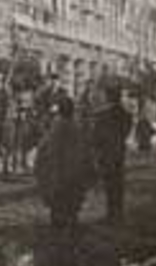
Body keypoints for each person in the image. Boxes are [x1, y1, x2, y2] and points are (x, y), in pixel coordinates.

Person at [35, 97, 95, 236]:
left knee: (58, 209)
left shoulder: (56, 128)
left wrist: (42, 171)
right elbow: (86, 152)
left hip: (59, 175)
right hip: (75, 175)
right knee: (72, 207)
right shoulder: (77, 128)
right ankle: (71, 231)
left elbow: (46, 151)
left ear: (59, 111)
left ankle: (59, 237)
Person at [91, 83, 133, 224]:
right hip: (119, 151)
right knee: (118, 181)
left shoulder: (102, 115)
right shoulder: (126, 114)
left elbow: (96, 135)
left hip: (106, 152)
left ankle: (111, 214)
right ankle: (118, 212)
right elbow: (126, 131)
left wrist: (96, 148)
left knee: (109, 183)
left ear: (108, 97)